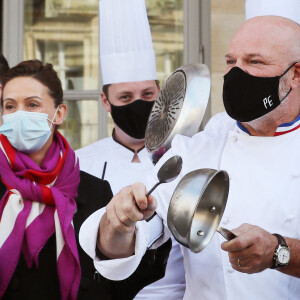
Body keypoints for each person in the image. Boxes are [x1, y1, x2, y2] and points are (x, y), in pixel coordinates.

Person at [80, 15, 300, 300]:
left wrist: (278, 252)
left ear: (295, 74)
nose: (236, 73)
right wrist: (118, 222)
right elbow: (132, 238)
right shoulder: (194, 150)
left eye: (254, 62)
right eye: (231, 62)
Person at [76, 0, 186, 298]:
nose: (138, 104)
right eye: (125, 97)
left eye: (147, 94)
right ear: (104, 100)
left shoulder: (188, 155)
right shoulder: (79, 163)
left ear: (160, 90)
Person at [0, 59, 117, 300]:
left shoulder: (95, 192)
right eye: (10, 106)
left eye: (32, 104)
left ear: (59, 113)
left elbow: (109, 281)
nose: (19, 114)